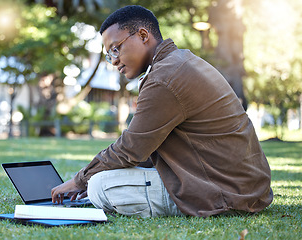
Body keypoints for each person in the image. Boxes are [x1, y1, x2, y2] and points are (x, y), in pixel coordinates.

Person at [51, 5, 273, 218]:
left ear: (143, 35)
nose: (114, 60)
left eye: (116, 49)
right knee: (103, 177)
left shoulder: (164, 78)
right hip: (245, 188)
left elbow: (131, 148)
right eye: (109, 55)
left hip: (225, 193)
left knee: (100, 186)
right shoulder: (181, 61)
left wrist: (82, 180)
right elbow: (146, 150)